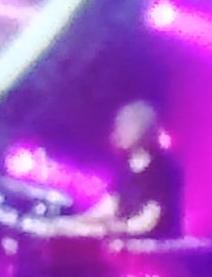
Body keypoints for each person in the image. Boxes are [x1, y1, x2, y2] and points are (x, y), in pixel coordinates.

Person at [72, 100, 186, 239]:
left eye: (128, 125)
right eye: (120, 125)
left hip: (159, 245)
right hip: (128, 240)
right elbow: (110, 205)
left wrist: (116, 228)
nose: (121, 131)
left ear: (145, 129)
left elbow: (149, 220)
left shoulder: (164, 168)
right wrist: (75, 222)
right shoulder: (124, 167)